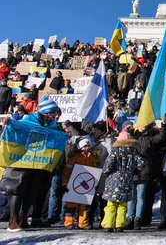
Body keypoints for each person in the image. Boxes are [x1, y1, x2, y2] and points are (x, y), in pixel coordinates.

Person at [3, 96, 62, 232]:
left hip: (39, 163)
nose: (53, 116)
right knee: (19, 189)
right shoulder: (28, 120)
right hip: (23, 161)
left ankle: (23, 218)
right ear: (44, 112)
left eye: (54, 114)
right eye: (51, 113)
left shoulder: (52, 125)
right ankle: (14, 219)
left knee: (32, 190)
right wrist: (10, 123)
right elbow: (17, 129)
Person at [101, 131, 145, 233]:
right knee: (122, 204)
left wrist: (107, 172)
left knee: (111, 204)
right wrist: (133, 170)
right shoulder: (134, 152)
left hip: (114, 180)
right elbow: (141, 164)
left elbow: (107, 165)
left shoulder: (115, 151)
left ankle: (109, 225)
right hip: (127, 179)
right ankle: (120, 225)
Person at [62, 137, 98, 230]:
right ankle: (69, 222)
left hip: (86, 184)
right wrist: (65, 183)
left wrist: (94, 183)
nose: (86, 148)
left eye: (88, 146)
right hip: (73, 183)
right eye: (84, 146)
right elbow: (67, 170)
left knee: (84, 205)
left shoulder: (91, 157)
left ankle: (83, 223)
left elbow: (93, 170)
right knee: (71, 204)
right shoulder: (74, 157)